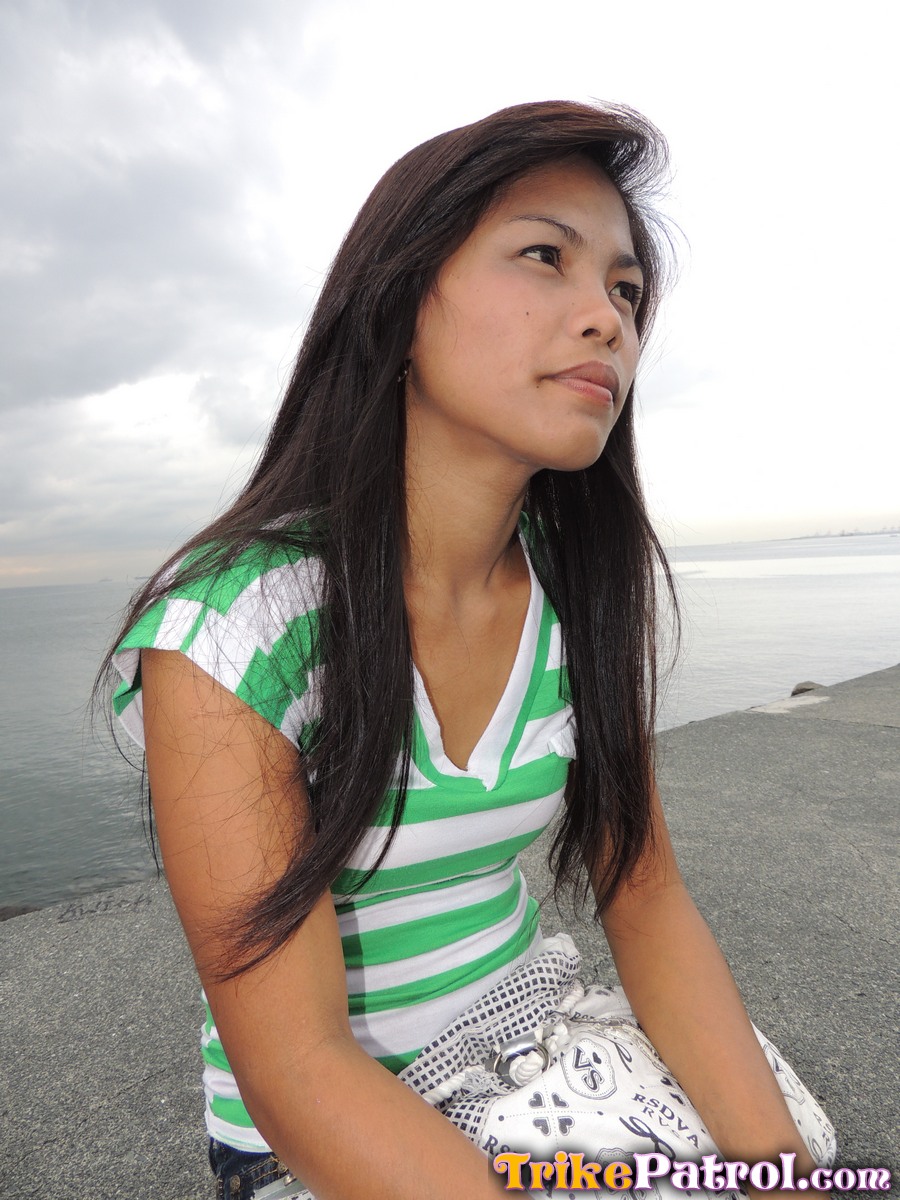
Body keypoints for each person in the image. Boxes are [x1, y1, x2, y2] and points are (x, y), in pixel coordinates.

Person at [103, 101, 832, 1199]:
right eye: (545, 256)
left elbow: (644, 896)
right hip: (325, 1128)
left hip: (533, 1039)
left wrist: (782, 1178)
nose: (607, 321)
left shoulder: (575, 595)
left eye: (627, 291)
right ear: (399, 302)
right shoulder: (237, 622)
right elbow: (297, 1068)